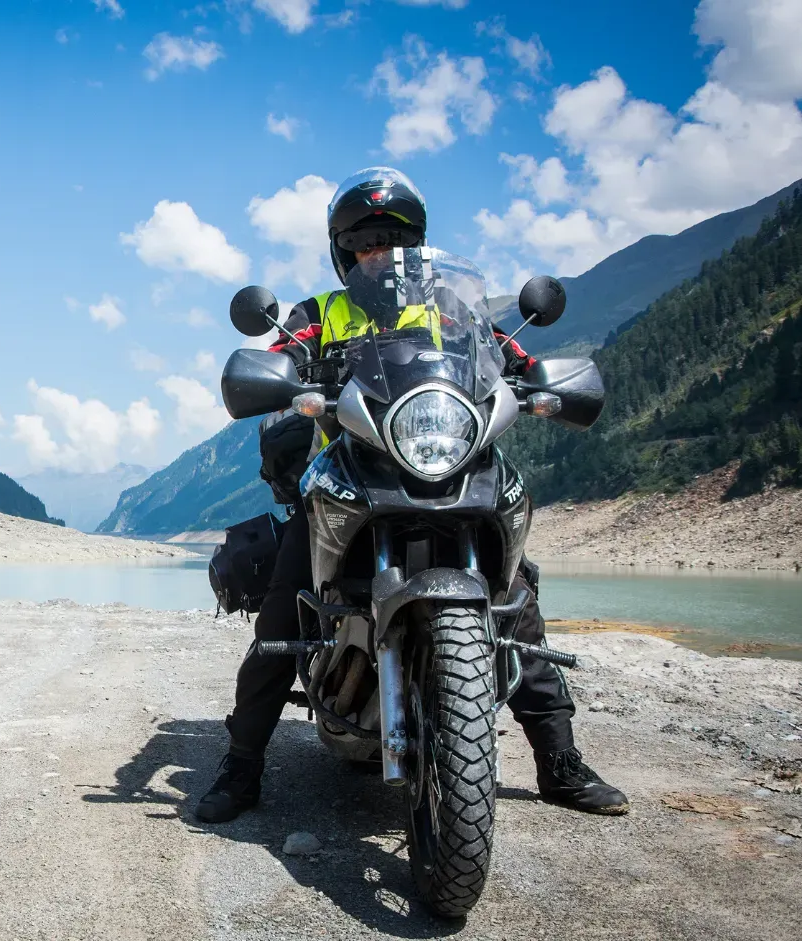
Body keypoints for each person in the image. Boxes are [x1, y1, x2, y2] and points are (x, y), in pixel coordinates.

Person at [196, 167, 629, 824]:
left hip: (448, 461)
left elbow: (503, 354)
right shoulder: (318, 314)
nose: (380, 254)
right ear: (345, 251)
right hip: (346, 473)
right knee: (283, 607)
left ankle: (558, 758)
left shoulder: (453, 310)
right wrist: (281, 373)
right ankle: (242, 762)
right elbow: (284, 354)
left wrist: (535, 375)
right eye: (366, 242)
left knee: (516, 597)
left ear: (416, 245)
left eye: (392, 241)